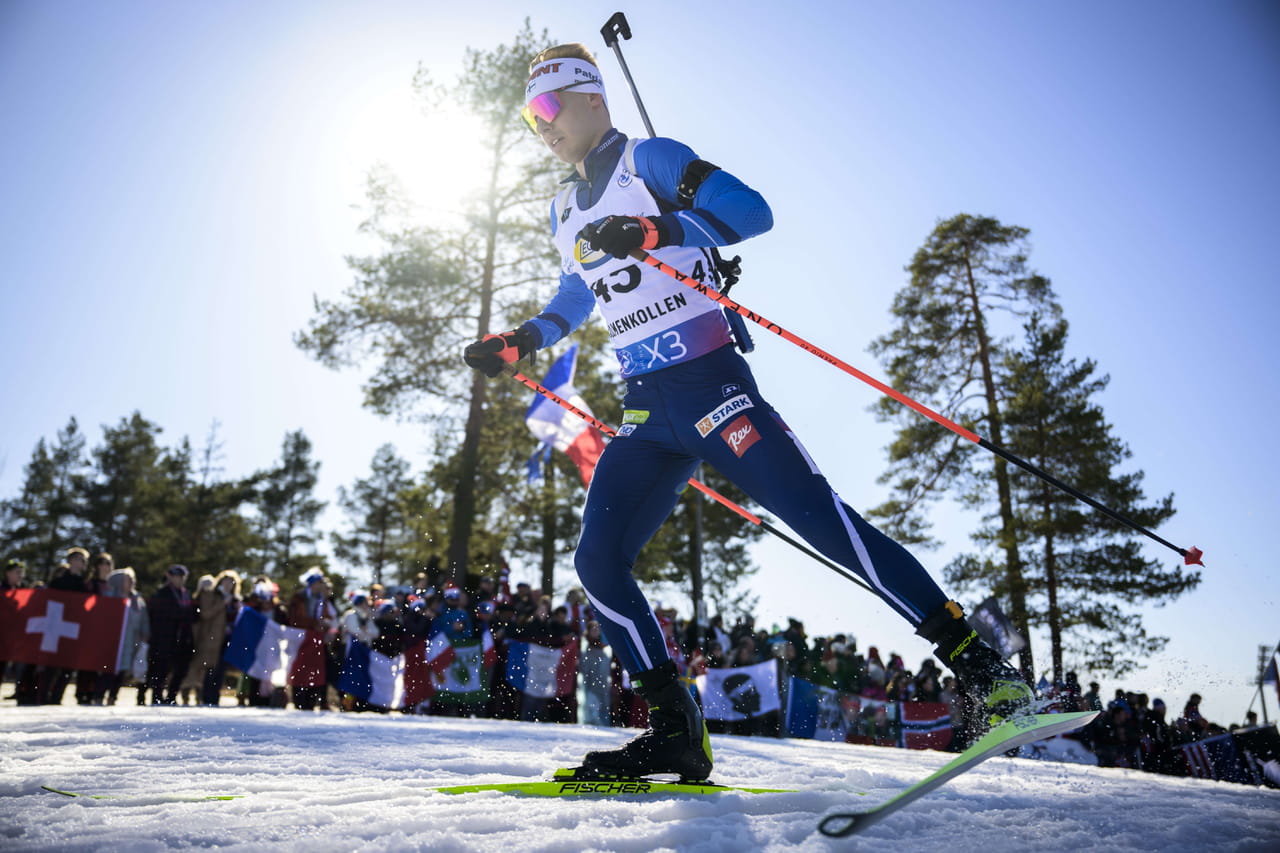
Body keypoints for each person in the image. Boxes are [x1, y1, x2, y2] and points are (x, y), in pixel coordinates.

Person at [461, 43, 1035, 781]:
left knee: (826, 524)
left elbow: (751, 211)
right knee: (597, 562)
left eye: (548, 106)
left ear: (593, 98)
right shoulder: (563, 208)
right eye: (527, 113)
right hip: (647, 409)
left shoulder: (650, 161)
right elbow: (579, 292)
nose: (539, 124)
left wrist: (656, 230)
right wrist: (522, 339)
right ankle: (675, 730)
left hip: (713, 388)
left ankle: (989, 672)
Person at [146, 564, 196, 705]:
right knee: (161, 669)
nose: (179, 579)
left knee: (181, 669)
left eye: (182, 577)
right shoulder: (162, 593)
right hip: (164, 638)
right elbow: (158, 614)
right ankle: (157, 696)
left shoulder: (186, 594)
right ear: (170, 577)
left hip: (182, 639)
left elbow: (190, 615)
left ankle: (171, 696)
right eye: (176, 576)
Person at [101, 567, 149, 705]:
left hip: (131, 641)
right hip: (113, 640)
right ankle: (99, 695)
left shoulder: (137, 600)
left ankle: (112, 697)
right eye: (128, 580)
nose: (132, 582)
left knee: (122, 671)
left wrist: (145, 634)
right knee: (108, 669)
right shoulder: (110, 597)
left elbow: (143, 620)